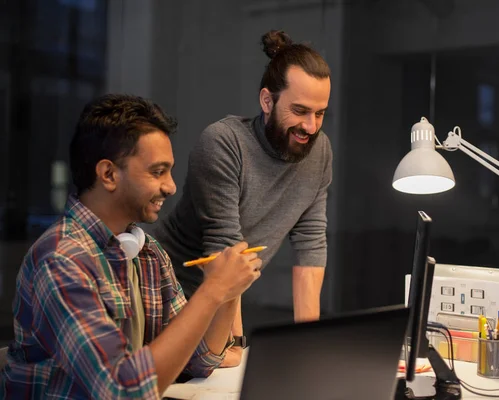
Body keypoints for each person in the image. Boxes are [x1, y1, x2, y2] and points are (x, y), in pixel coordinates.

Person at [0, 94, 262, 399]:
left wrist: (228, 294)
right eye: (157, 171)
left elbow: (198, 359)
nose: (171, 186)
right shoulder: (61, 261)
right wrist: (212, 291)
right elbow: (122, 390)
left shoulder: (147, 252)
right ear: (109, 174)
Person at [151, 29, 332, 366]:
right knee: (224, 367)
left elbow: (311, 243)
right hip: (170, 295)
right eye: (300, 110)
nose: (310, 126)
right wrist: (232, 342)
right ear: (267, 101)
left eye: (320, 113)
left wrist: (310, 347)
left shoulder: (319, 151)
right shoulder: (223, 143)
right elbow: (225, 248)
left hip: (227, 292)